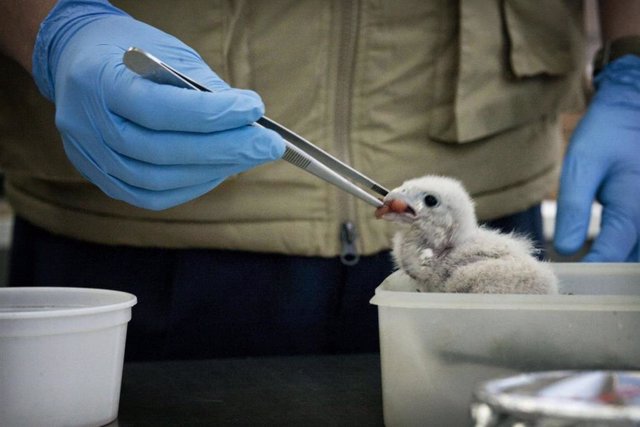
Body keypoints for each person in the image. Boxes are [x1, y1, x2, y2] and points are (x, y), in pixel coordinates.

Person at [0, 0, 634, 361]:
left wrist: (632, 53)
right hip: (132, 224)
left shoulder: (487, 264)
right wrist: (52, 26)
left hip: (494, 168)